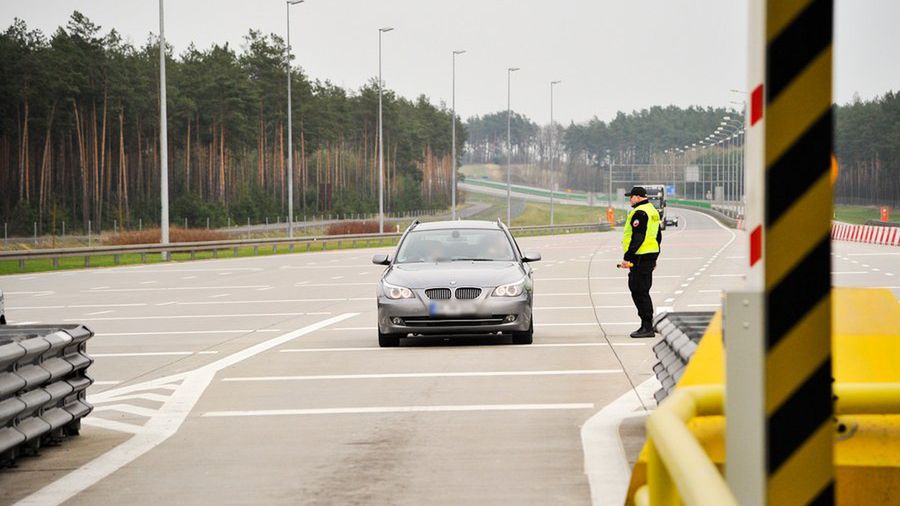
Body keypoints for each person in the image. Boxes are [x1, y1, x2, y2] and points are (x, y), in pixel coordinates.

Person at [618, 186, 662, 338]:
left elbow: (638, 238)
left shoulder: (640, 213)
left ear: (637, 197)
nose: (629, 200)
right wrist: (655, 257)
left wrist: (627, 257)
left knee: (638, 291)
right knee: (643, 290)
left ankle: (647, 326)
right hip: (649, 255)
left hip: (640, 257)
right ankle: (648, 323)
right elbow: (658, 237)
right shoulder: (652, 211)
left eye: (631, 197)